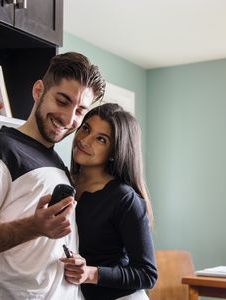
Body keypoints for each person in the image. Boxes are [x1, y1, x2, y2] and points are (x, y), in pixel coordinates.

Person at [0, 52, 106, 300]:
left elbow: (44, 249)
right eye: (62, 101)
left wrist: (74, 260)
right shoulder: (0, 149)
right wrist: (34, 227)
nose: (69, 119)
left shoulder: (57, 161)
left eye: (80, 110)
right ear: (39, 91)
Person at [62, 103, 158, 300]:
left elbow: (148, 274)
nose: (85, 140)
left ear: (114, 152)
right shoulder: (63, 181)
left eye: (101, 139)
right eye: (86, 128)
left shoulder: (124, 198)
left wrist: (90, 273)